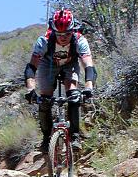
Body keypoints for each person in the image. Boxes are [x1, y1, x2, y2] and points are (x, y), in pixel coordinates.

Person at [24, 8, 96, 152]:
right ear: (53, 31)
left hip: (70, 64)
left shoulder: (79, 40)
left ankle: (75, 136)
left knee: (74, 96)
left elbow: (89, 66)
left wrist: (89, 87)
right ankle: (46, 138)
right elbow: (31, 67)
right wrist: (30, 89)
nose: (63, 38)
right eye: (59, 34)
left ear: (73, 30)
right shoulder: (44, 41)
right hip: (48, 64)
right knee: (44, 100)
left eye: (67, 34)